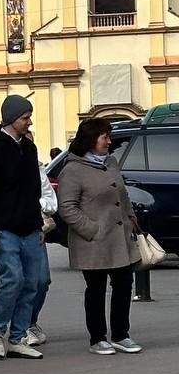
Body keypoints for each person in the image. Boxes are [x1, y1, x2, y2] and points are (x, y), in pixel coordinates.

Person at [57, 118, 142, 356]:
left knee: (124, 285)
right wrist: (91, 229)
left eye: (108, 136)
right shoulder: (72, 170)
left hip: (120, 238)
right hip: (92, 241)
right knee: (96, 288)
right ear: (90, 139)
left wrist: (132, 219)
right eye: (104, 137)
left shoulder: (111, 162)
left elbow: (122, 196)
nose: (109, 141)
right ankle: (97, 338)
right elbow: (67, 207)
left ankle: (121, 335)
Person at [0, 95, 44, 360]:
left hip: (30, 227)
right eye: (25, 118)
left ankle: (17, 337)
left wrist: (39, 224)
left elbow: (34, 189)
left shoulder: (29, 148)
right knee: (13, 279)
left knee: (32, 283)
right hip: (4, 229)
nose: (29, 122)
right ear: (12, 119)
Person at [25, 166, 59, 347]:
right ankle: (14, 327)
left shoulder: (37, 172)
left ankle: (30, 322)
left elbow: (51, 202)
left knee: (41, 280)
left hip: (35, 231)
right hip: (7, 231)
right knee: (15, 280)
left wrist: (34, 203)